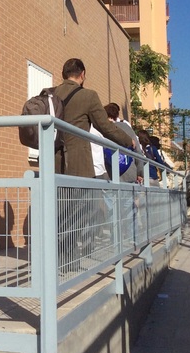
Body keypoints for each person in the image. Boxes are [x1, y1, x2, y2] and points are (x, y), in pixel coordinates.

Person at [53, 59, 134, 268]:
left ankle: (60, 256)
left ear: (63, 74)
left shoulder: (51, 94)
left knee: (60, 210)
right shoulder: (88, 96)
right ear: (82, 74)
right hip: (78, 163)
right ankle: (69, 258)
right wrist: (128, 141)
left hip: (54, 161)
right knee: (81, 210)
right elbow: (105, 127)